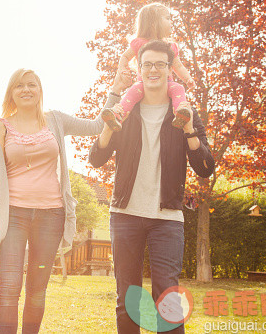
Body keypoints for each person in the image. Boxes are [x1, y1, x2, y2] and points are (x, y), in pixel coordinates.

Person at [0, 68, 115, 333]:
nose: (26, 89)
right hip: (13, 216)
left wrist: (117, 87)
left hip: (51, 216)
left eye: (32, 84)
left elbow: (98, 125)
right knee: (8, 288)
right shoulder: (0, 128)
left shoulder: (55, 121)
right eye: (19, 86)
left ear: (40, 91)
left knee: (37, 289)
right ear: (11, 93)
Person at [89, 40, 214, 333]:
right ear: (140, 69)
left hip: (167, 218)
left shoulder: (185, 112)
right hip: (125, 215)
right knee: (128, 298)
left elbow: (205, 168)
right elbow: (96, 158)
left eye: (160, 64)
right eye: (147, 64)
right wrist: (109, 125)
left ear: (170, 69)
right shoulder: (126, 110)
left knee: (167, 297)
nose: (153, 69)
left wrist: (188, 131)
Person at [102, 2, 196, 132]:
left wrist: (188, 79)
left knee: (179, 89)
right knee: (131, 94)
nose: (171, 22)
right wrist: (123, 70)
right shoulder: (139, 43)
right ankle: (118, 117)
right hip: (143, 84)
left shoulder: (171, 46)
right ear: (154, 23)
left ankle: (181, 113)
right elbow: (124, 57)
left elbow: (178, 66)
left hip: (166, 83)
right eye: (167, 18)